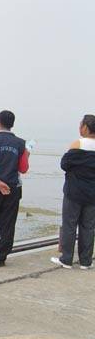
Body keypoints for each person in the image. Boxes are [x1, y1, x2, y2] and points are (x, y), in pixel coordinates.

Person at [51, 114, 95, 270]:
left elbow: (65, 164)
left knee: (69, 224)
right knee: (88, 227)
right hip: (92, 194)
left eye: (81, 125)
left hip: (74, 191)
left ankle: (67, 259)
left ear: (85, 127)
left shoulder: (78, 144)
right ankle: (85, 261)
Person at [0, 110, 30, 267]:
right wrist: (27, 155)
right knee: (8, 225)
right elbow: (23, 169)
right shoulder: (21, 143)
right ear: (12, 124)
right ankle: (0, 257)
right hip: (12, 188)